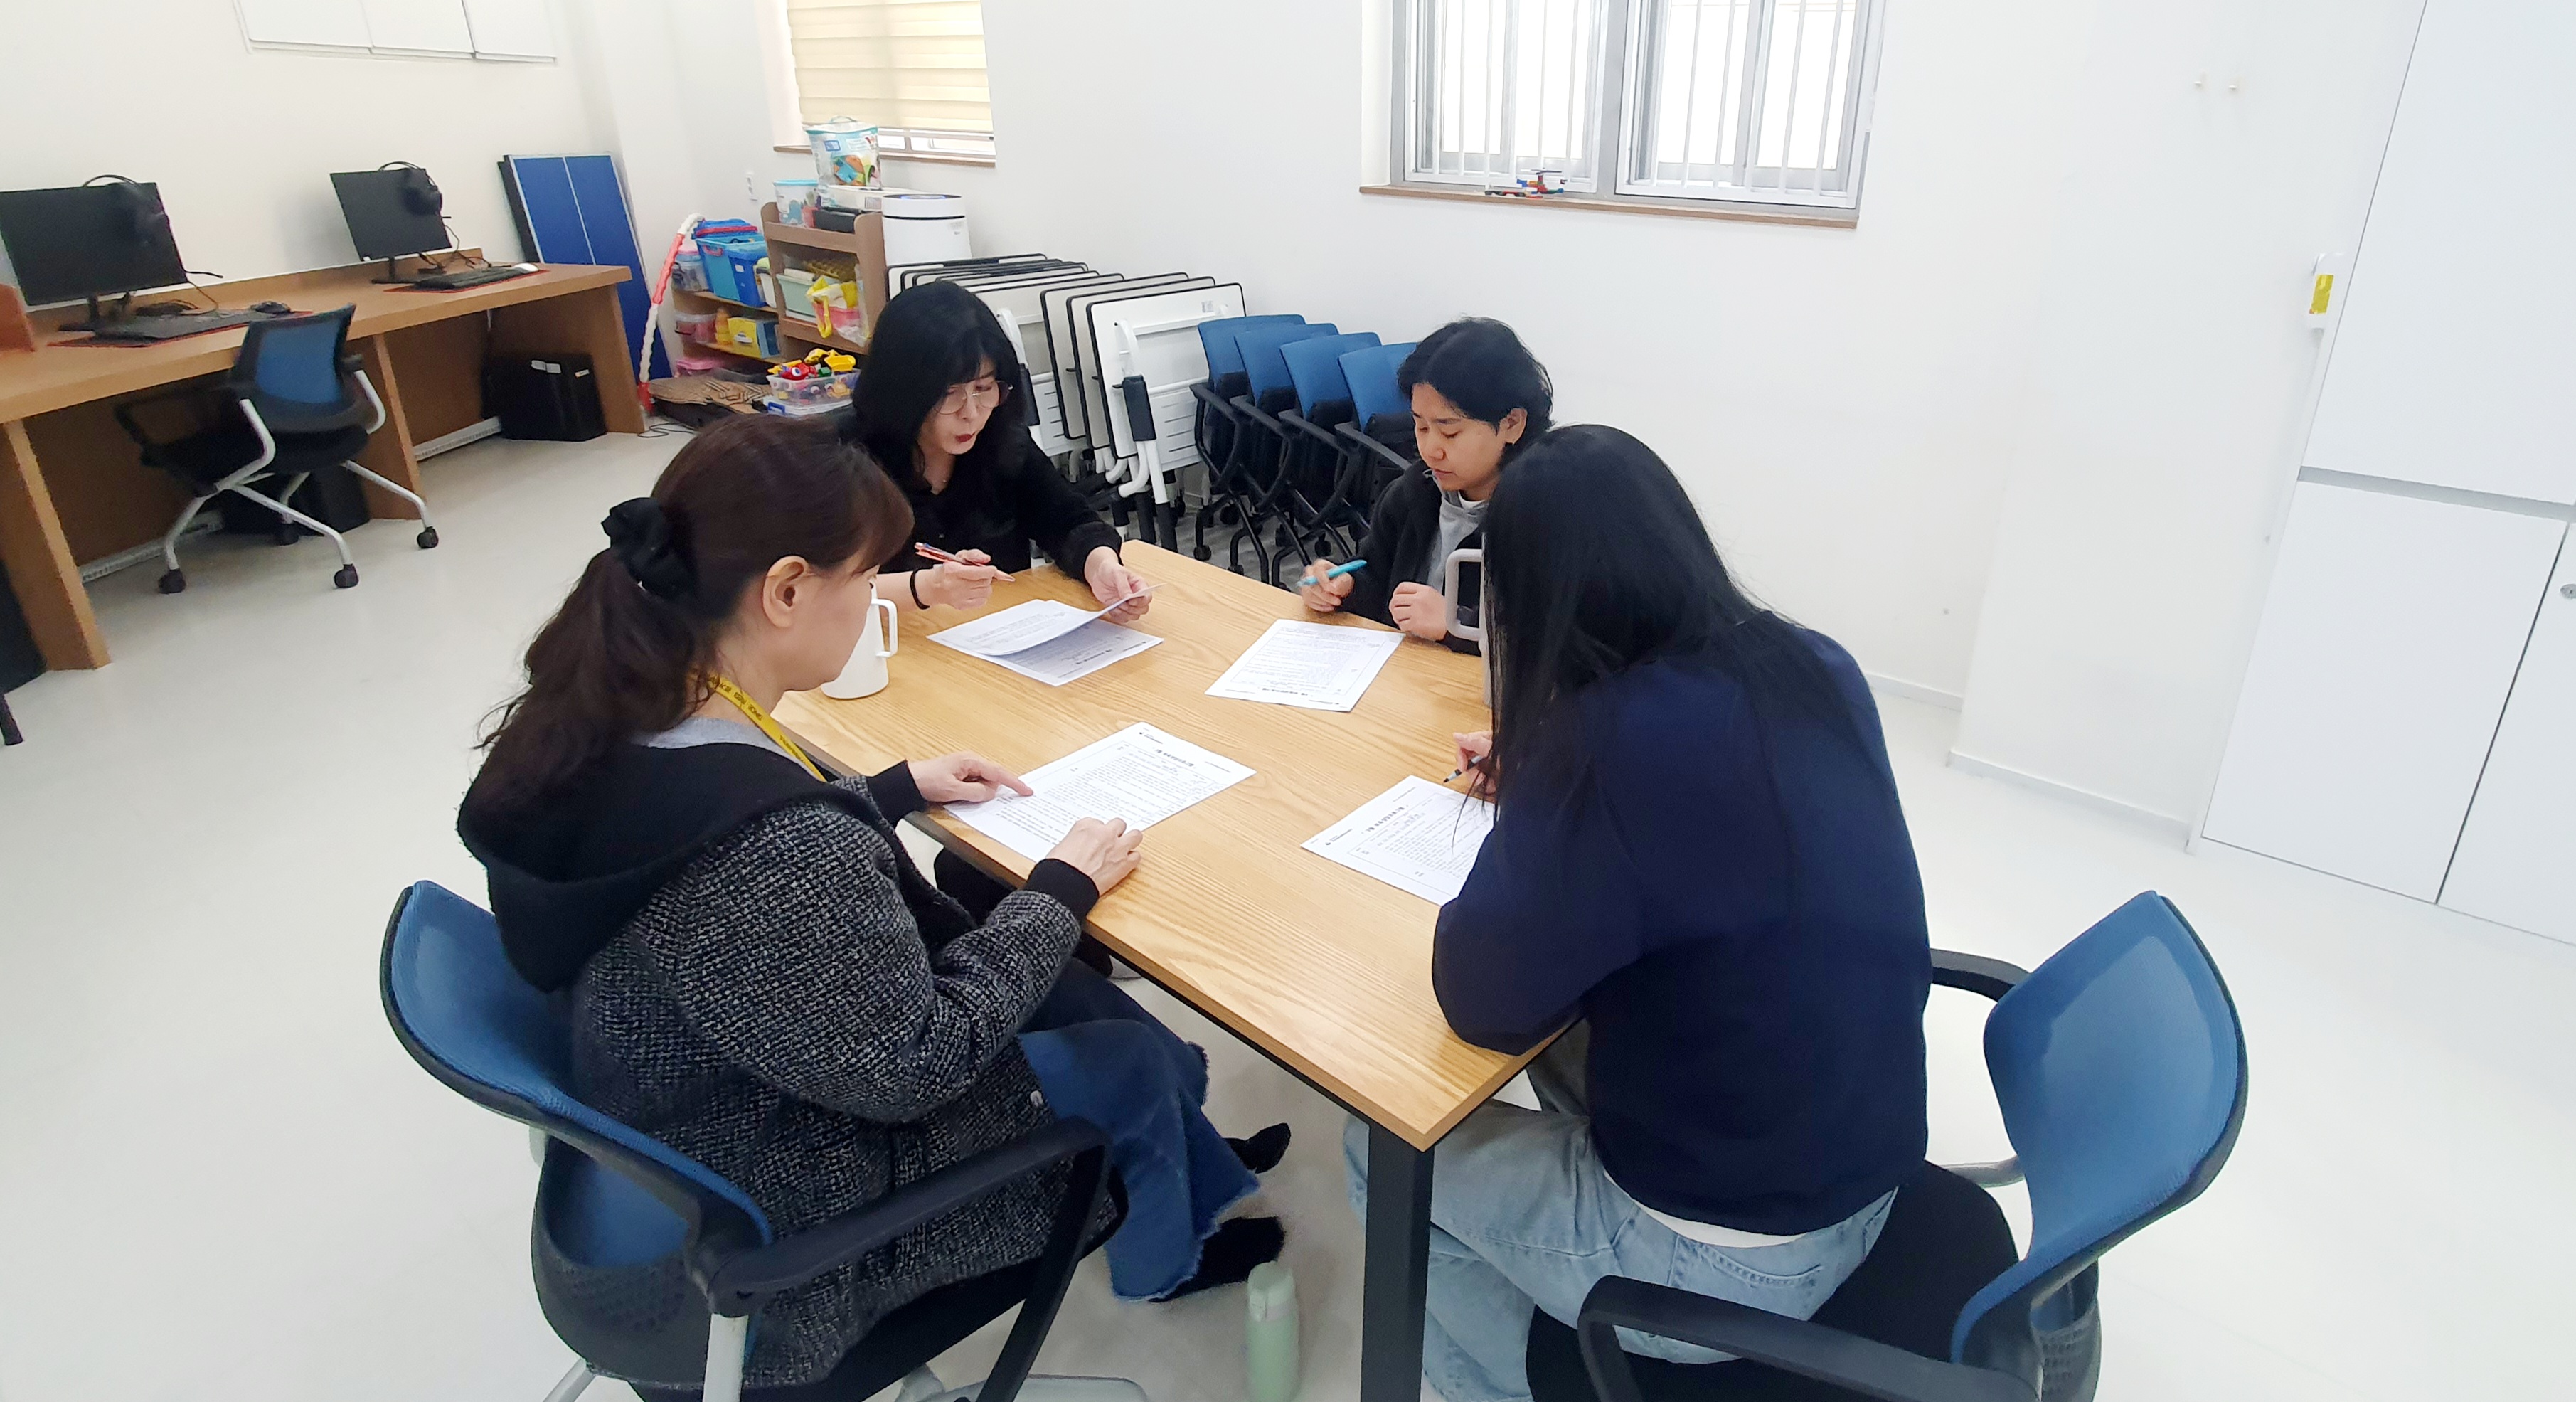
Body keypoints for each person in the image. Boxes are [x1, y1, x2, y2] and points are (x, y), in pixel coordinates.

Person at [457, 415, 1286, 1393]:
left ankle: (1189, 1167)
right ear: (786, 590)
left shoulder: (612, 706)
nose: (873, 600)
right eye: (864, 579)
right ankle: (1162, 1261)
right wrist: (1058, 888)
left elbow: (720, 829)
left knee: (1069, 996)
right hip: (788, 1222)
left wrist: (886, 790)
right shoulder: (777, 851)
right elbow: (921, 1060)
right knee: (1122, 1053)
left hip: (683, 1112)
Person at [1343, 425, 1932, 1402]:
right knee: (1565, 1032)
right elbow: (1715, 824)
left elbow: (1479, 1000)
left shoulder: (1600, 745)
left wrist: (1544, 787)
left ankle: (1501, 1384)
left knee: (1382, 1147)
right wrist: (1553, 782)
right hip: (1865, 1159)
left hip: (1727, 1261)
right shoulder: (1813, 661)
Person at [845, 280, 1152, 622]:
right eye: (949, 394)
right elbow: (821, 592)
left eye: (984, 388)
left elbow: (1068, 522)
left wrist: (1102, 567)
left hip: (997, 636)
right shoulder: (845, 458)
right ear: (903, 390)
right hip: (888, 644)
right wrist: (927, 587)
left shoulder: (1002, 441)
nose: (971, 413)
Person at [1296, 318, 1552, 652]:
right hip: (1405, 672)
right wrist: (1344, 586)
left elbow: (1549, 644)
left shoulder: (1543, 516)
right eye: (1421, 427)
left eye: (1449, 432)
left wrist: (1455, 624)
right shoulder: (1414, 491)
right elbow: (1379, 581)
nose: (1431, 450)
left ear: (1512, 424)